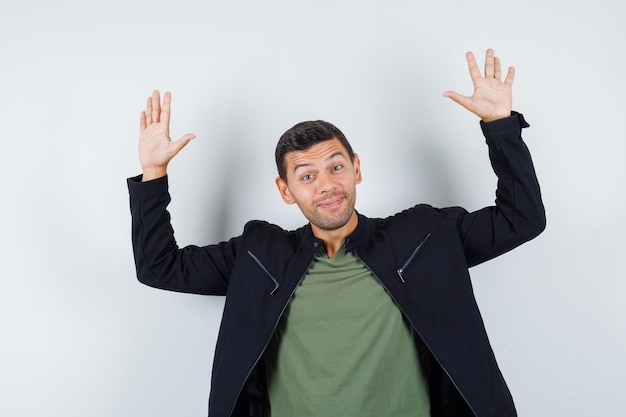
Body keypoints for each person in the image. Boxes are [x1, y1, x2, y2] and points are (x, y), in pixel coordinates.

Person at [128, 49, 545, 417]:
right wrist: (153, 174)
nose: (326, 184)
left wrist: (500, 126)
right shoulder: (259, 256)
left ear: (356, 168)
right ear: (285, 191)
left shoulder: (423, 237)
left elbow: (520, 219)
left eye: (336, 166)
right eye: (307, 175)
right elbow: (159, 267)